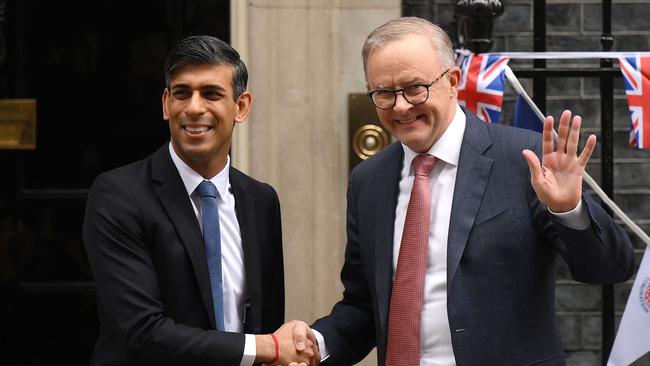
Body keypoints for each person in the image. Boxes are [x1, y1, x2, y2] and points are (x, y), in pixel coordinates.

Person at [296, 17, 635, 365]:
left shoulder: (524, 160)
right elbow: (365, 305)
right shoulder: (369, 179)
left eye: (415, 88)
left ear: (453, 82)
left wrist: (569, 209)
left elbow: (610, 268)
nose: (400, 106)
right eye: (384, 93)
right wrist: (316, 344)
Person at [83, 35, 318, 366]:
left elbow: (265, 323)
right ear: (166, 104)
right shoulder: (118, 195)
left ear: (241, 106)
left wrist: (279, 350)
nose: (194, 108)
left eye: (211, 93)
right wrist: (269, 348)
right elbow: (142, 331)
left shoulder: (261, 201)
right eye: (182, 93)